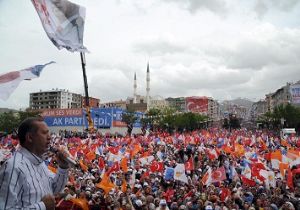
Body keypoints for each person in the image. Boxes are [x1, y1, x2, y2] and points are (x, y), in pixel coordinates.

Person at [0, 117, 70, 210]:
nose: (49, 137)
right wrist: (42, 206)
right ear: (29, 137)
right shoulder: (13, 167)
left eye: (49, 133)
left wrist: (63, 167)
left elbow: (55, 188)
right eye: (44, 133)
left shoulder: (40, 164)